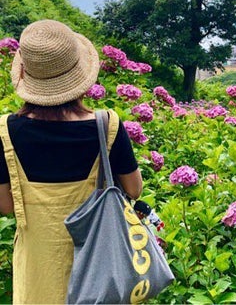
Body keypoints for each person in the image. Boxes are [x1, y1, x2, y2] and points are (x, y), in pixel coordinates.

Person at [0, 19, 142, 304]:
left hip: (37, 268)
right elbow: (134, 189)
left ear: (25, 73)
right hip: (99, 270)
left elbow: (5, 205)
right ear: (78, 73)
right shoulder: (107, 126)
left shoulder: (5, 131)